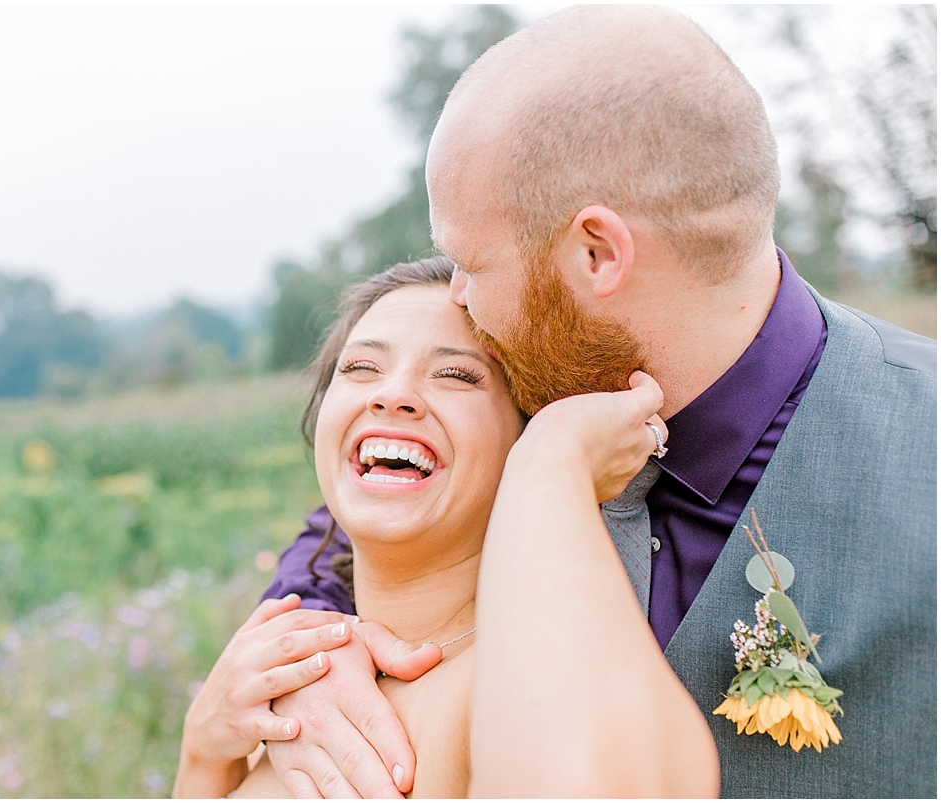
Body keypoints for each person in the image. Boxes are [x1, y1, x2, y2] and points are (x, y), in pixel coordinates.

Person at [261, 5, 936, 798]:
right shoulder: (524, 385)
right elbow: (355, 527)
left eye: (471, 261)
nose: (459, 296)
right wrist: (294, 654)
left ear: (597, 253)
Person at [173, 257, 716, 797]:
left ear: (526, 431)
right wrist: (203, 752)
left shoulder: (514, 684)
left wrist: (558, 459)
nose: (391, 394)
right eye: (360, 368)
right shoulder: (295, 711)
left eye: (455, 375)